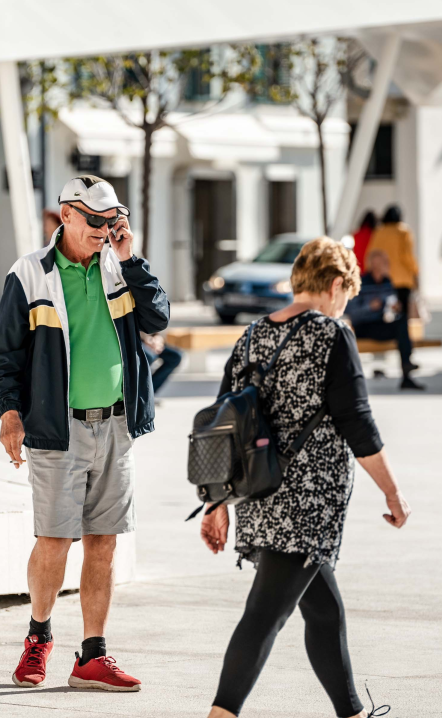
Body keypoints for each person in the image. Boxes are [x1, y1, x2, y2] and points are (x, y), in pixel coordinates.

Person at [200, 237, 410, 718]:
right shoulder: (331, 336)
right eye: (347, 295)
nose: (344, 305)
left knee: (323, 609)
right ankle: (220, 714)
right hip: (310, 503)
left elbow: (221, 426)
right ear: (337, 284)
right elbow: (357, 422)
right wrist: (393, 492)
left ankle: (352, 712)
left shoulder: (252, 334)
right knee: (264, 617)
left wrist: (217, 503)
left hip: (258, 493)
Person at [0, 175, 169, 692]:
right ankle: (38, 638)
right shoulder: (29, 274)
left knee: (104, 543)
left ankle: (93, 656)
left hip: (116, 425)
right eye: (95, 220)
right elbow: (4, 357)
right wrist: (9, 414)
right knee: (54, 540)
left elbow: (157, 320)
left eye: (112, 220)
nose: (104, 230)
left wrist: (132, 258)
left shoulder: (120, 266)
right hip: (56, 430)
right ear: (66, 215)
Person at [347, 250, 423, 390]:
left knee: (401, 322)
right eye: (382, 263)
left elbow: (390, 305)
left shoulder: (387, 282)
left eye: (385, 263)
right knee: (399, 328)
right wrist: (369, 307)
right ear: (373, 265)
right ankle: (406, 368)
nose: (385, 266)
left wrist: (395, 308)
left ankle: (406, 372)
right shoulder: (361, 282)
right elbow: (350, 311)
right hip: (363, 326)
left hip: (380, 324)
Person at [366, 205, 418, 376]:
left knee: (383, 316)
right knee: (401, 320)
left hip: (383, 281)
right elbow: (407, 256)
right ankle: (405, 359)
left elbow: (371, 254)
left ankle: (386, 361)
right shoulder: (403, 231)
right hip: (402, 281)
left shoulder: (379, 231)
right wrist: (416, 273)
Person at [141, 332, 182, 396]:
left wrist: (158, 338)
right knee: (148, 356)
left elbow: (159, 325)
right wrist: (146, 339)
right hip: (136, 340)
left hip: (151, 339)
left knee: (175, 357)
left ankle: (149, 392)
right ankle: (139, 394)